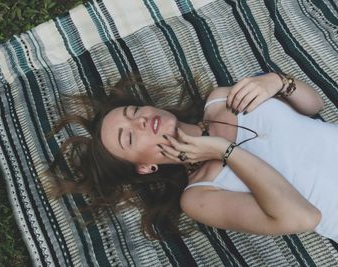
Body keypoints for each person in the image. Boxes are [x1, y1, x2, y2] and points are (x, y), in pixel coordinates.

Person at [46, 72, 338, 242]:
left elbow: (313, 107)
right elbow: (303, 217)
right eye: (130, 137)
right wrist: (224, 152)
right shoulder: (200, 196)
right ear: (146, 167)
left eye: (134, 113)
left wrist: (278, 81)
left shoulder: (221, 99)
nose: (141, 122)